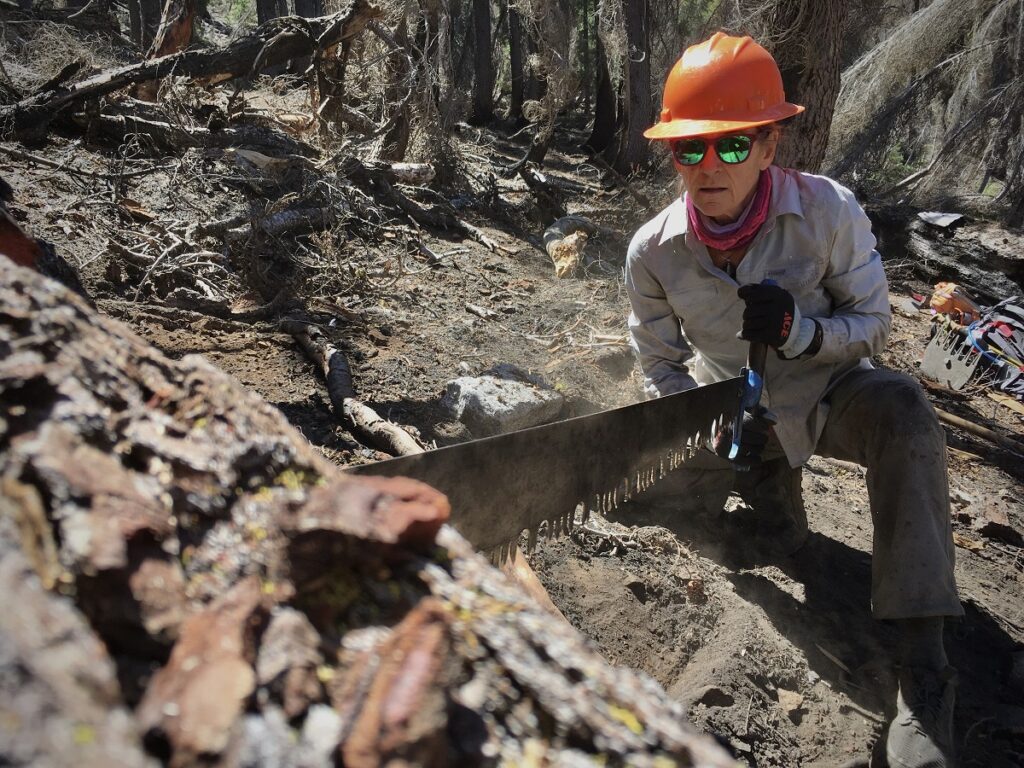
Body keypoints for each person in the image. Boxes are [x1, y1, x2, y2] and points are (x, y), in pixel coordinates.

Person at [625, 33, 962, 768]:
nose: (709, 167)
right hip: (735, 412)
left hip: (833, 393)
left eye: (733, 147)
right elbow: (658, 363)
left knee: (903, 407)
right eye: (690, 150)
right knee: (640, 500)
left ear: (769, 146)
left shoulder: (829, 213)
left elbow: (874, 326)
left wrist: (802, 334)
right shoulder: (653, 251)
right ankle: (774, 513)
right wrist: (696, 418)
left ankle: (925, 666)